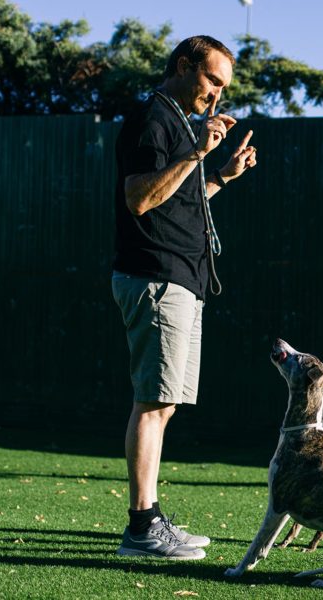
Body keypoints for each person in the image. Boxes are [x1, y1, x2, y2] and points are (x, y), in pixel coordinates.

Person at [110, 35, 257, 560]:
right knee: (153, 403)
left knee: (163, 403)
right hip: (156, 277)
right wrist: (198, 149)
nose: (217, 95)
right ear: (183, 66)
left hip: (180, 278)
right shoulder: (155, 117)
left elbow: (177, 200)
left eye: (224, 86)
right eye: (212, 80)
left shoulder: (177, 120)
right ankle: (142, 527)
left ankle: (148, 520)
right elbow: (140, 199)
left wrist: (219, 174)